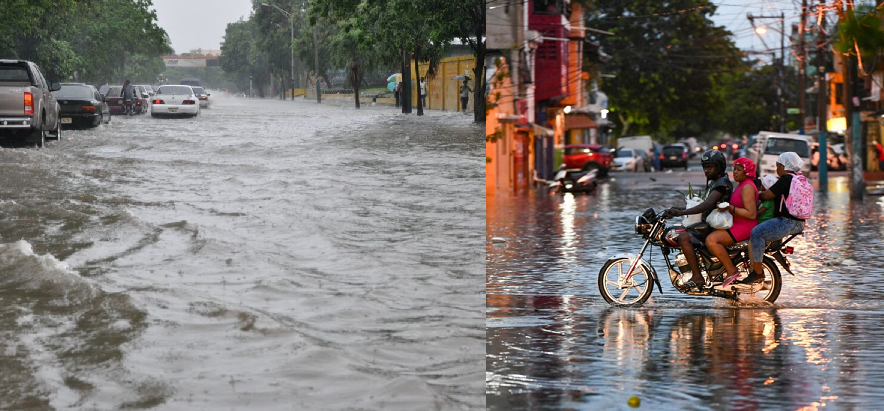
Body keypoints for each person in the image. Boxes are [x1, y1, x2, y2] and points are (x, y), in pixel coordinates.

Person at [663, 149, 733, 290]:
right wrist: (676, 209)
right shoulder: (714, 182)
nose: (706, 171)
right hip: (710, 222)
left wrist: (680, 212)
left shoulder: (722, 183)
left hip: (716, 224)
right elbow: (701, 204)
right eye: (704, 167)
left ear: (719, 166)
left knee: (683, 237)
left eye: (709, 167)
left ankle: (697, 276)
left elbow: (707, 204)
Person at [741, 152, 807, 285]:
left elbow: (766, 196)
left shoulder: (785, 180)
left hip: (787, 222)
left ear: (783, 166)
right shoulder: (798, 178)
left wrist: (750, 195)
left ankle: (758, 272)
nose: (777, 170)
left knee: (757, 233)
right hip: (796, 222)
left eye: (778, 166)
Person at [705, 157, 758, 288]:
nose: (735, 172)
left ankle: (731, 270)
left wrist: (730, 207)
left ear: (747, 172)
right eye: (734, 169)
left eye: (739, 170)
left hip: (744, 226)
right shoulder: (741, 185)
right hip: (737, 223)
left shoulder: (747, 187)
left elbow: (751, 214)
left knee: (711, 240)